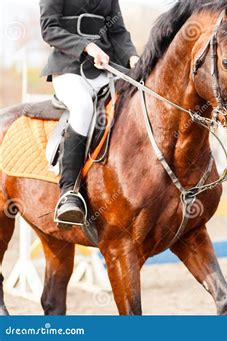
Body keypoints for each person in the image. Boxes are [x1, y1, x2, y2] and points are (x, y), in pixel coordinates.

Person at [40, 0, 139, 226]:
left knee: (130, 103)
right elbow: (49, 29)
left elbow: (118, 32)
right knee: (83, 107)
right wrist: (86, 46)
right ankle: (69, 192)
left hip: (104, 68)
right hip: (68, 69)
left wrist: (132, 57)